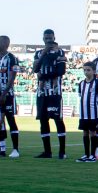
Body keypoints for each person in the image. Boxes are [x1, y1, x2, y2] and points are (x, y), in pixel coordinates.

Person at [33, 30, 68, 159]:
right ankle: (47, 152)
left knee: (58, 120)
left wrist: (43, 76)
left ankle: (62, 151)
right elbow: (35, 69)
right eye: (46, 38)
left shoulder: (60, 52)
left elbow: (60, 71)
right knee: (43, 121)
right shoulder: (38, 53)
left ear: (54, 38)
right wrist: (43, 53)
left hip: (54, 92)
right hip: (42, 93)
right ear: (43, 38)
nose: (48, 40)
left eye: (50, 38)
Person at [76, 62, 98, 163]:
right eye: (85, 70)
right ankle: (86, 154)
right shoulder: (81, 84)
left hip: (93, 113)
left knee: (93, 133)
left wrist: (97, 112)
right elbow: (80, 97)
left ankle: (93, 155)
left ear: (94, 71)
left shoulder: (96, 83)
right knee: (85, 132)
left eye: (88, 70)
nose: (86, 72)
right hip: (83, 114)